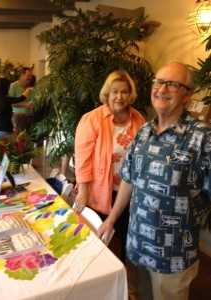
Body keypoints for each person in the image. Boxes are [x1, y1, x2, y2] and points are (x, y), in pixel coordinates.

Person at [98, 62, 211, 300]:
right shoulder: (144, 131)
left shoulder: (202, 137)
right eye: (158, 82)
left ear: (187, 95)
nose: (161, 89)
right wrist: (111, 220)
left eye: (172, 84)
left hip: (173, 256)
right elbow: (129, 179)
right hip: (137, 245)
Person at [74, 70, 145, 261]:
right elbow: (83, 160)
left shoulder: (139, 120)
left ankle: (122, 281)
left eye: (124, 92)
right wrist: (83, 191)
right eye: (115, 92)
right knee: (95, 242)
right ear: (107, 93)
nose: (119, 97)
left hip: (128, 192)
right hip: (98, 191)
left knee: (125, 238)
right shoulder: (92, 119)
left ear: (130, 94)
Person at [9, 67, 34, 132]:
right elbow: (10, 103)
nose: (30, 78)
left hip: (30, 115)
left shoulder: (31, 86)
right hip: (18, 117)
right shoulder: (13, 86)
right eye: (28, 76)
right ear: (22, 75)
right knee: (20, 139)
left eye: (31, 76)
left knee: (29, 137)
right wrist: (26, 105)